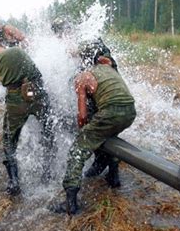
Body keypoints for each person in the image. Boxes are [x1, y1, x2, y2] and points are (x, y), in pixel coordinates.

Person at [52, 40, 136, 215]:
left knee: (77, 150)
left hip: (110, 113)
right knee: (109, 136)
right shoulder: (110, 67)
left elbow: (82, 116)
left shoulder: (83, 76)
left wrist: (83, 131)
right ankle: (113, 177)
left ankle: (70, 203)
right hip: (130, 112)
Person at [0, 40, 57, 196]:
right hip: (38, 93)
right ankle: (48, 173)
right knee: (48, 131)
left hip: (16, 98)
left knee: (9, 139)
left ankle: (14, 182)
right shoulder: (18, 49)